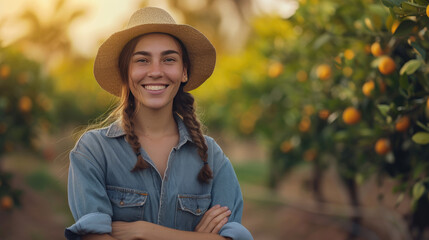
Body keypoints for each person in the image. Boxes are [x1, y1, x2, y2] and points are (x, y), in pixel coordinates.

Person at [65, 7, 253, 240]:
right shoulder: (94, 151)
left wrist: (144, 231)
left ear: (183, 71)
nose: (155, 71)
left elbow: (237, 237)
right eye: (142, 60)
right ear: (126, 72)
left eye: (169, 59)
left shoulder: (211, 155)